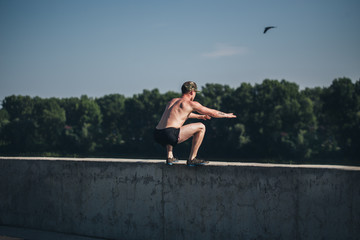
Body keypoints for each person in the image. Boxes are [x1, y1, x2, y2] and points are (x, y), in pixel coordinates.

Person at [154, 81, 236, 166]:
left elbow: (180, 114)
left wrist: (199, 116)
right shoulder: (190, 104)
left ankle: (169, 156)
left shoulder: (172, 101)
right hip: (169, 134)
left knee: (171, 127)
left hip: (157, 134)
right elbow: (212, 112)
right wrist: (226, 115)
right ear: (192, 92)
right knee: (201, 127)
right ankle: (192, 158)